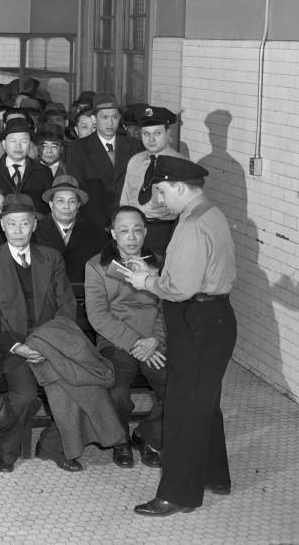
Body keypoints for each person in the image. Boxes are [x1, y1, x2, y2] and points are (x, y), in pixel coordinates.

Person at [128, 157, 237, 517]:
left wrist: (146, 281)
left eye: (161, 191)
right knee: (204, 404)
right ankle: (214, 476)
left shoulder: (190, 224)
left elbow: (180, 288)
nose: (159, 199)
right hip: (215, 318)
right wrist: (158, 271)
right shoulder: (212, 213)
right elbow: (193, 271)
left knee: (182, 408)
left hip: (195, 320)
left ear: (178, 186)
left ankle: (178, 495)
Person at [0, 195, 78, 473]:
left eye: (24, 223)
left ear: (34, 225)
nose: (18, 230)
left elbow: (66, 304)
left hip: (51, 342)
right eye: (11, 224)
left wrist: (51, 343)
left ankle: (53, 444)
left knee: (73, 386)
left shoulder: (51, 258)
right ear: (2, 227)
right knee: (24, 395)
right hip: (11, 345)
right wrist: (16, 346)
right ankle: (6, 450)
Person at [85, 206, 166, 470]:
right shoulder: (97, 266)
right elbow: (98, 316)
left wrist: (155, 339)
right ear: (113, 234)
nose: (131, 237)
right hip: (117, 341)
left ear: (145, 232)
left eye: (137, 230)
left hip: (154, 341)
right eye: (123, 231)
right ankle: (120, 440)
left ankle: (148, 436)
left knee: (176, 385)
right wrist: (135, 342)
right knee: (116, 391)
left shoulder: (161, 264)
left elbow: (170, 308)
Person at [31, 175, 107, 332]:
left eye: (72, 201)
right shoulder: (34, 231)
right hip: (46, 306)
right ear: (51, 204)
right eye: (60, 201)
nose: (66, 206)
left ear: (78, 205)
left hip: (85, 307)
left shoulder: (95, 232)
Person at [119, 105, 188, 254]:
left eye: (157, 133)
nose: (151, 139)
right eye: (146, 133)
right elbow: (125, 201)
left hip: (165, 233)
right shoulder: (135, 161)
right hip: (133, 232)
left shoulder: (181, 165)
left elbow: (187, 209)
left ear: (168, 133)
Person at [69, 93, 143, 230]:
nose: (110, 122)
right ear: (94, 119)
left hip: (128, 222)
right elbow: (79, 187)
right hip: (94, 224)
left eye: (114, 117)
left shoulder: (135, 146)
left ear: (120, 118)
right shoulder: (78, 148)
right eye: (104, 117)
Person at [0, 117, 53, 215]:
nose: (18, 146)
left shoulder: (43, 172)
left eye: (24, 141)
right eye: (13, 141)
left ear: (30, 144)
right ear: (4, 144)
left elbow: (49, 209)